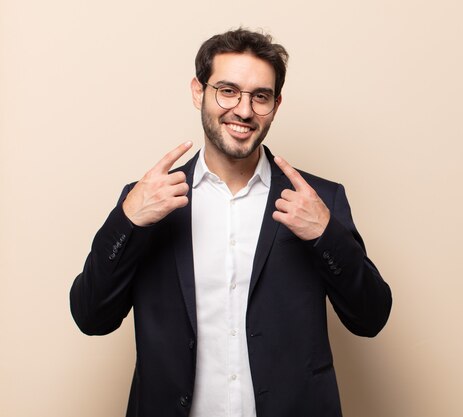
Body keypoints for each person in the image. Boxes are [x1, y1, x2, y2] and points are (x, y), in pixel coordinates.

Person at [70, 28, 392, 417]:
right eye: (227, 90)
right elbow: (91, 317)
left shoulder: (319, 199)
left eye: (260, 97)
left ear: (276, 103)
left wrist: (326, 235)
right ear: (198, 91)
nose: (243, 110)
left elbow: (371, 318)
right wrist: (128, 222)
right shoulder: (147, 200)